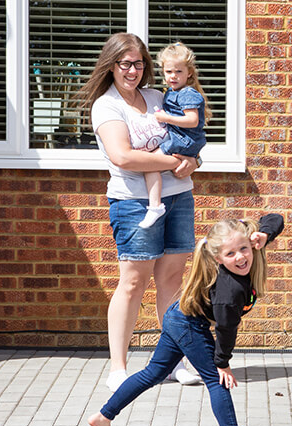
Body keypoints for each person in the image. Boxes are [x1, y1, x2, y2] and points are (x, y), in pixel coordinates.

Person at [88, 214, 284, 426]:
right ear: (217, 258)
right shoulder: (230, 291)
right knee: (216, 380)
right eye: (231, 254)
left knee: (154, 372)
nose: (241, 257)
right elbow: (225, 329)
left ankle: (103, 416)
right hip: (189, 325)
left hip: (178, 316)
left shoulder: (248, 254)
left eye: (244, 249)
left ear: (252, 243)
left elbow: (275, 218)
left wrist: (264, 234)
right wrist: (222, 363)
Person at [76, 33, 201, 391]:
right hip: (133, 203)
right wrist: (172, 161)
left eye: (139, 63)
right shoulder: (107, 105)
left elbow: (187, 138)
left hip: (179, 196)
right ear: (112, 65)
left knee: (173, 281)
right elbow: (123, 156)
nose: (133, 70)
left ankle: (174, 362)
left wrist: (193, 160)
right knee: (133, 282)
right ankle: (118, 366)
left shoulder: (158, 97)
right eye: (126, 64)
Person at [139, 42, 211, 229]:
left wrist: (166, 118)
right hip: (181, 140)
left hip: (183, 141)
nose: (173, 76)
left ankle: (155, 206)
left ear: (189, 73)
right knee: (152, 163)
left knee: (149, 164)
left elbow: (192, 120)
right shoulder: (171, 92)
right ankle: (156, 204)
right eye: (169, 71)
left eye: (178, 72)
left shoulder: (187, 93)